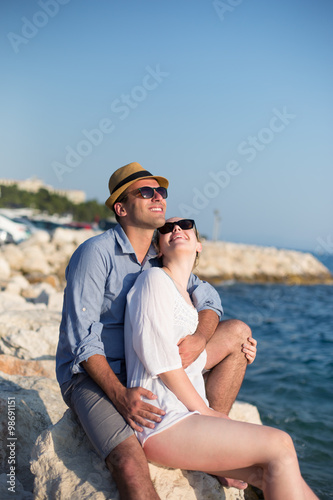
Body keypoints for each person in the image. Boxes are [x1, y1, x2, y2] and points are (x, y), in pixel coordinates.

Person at [56, 162, 256, 500]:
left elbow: (208, 297)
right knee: (130, 464)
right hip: (95, 376)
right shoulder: (96, 253)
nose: (158, 197)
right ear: (121, 208)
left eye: (160, 191)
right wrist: (121, 397)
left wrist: (199, 338)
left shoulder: (158, 256)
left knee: (237, 334)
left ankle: (214, 443)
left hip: (155, 363)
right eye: (145, 192)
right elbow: (83, 342)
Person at [124, 217, 318, 500]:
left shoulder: (189, 299)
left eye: (184, 225)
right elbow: (162, 363)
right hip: (162, 422)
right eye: (166, 229)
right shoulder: (153, 280)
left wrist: (242, 347)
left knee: (269, 473)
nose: (175, 229)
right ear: (158, 248)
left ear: (199, 245)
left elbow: (194, 355)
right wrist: (209, 413)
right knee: (280, 444)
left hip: (185, 418)